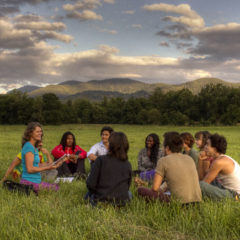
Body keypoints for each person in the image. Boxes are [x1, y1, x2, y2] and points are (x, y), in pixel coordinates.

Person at [138, 132, 202, 204]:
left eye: (163, 146)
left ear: (167, 148)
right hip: (196, 201)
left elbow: (155, 189)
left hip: (179, 203)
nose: (162, 149)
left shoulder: (163, 160)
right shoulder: (189, 159)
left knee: (141, 190)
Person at [86, 132, 132, 206]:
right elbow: (127, 185)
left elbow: (91, 184)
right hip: (122, 202)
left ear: (111, 145)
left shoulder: (100, 160)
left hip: (101, 200)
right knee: (129, 193)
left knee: (88, 194)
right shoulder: (127, 164)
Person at [20, 122, 63, 191]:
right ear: (30, 133)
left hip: (35, 181)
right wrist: (48, 167)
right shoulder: (29, 147)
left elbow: (36, 165)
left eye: (41, 131)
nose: (40, 133)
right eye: (37, 131)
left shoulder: (34, 147)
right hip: (29, 183)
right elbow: (30, 169)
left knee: (57, 187)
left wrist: (55, 164)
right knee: (57, 189)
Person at [199, 134, 240, 200]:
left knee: (201, 185)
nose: (205, 147)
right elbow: (203, 176)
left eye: (207, 145)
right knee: (201, 183)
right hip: (226, 188)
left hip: (235, 195)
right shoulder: (222, 158)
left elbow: (204, 183)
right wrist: (201, 160)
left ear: (215, 149)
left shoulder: (219, 162)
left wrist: (200, 159)